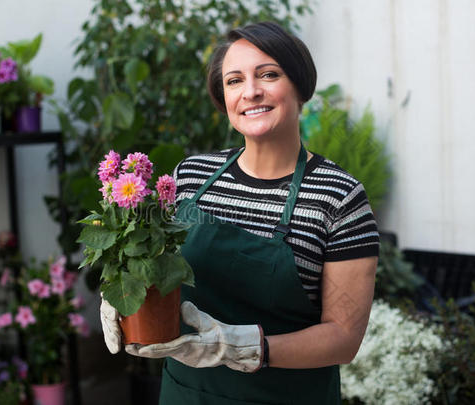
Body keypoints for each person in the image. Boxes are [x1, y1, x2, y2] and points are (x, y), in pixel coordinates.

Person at [100, 21, 379, 404]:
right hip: (187, 395)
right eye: (234, 81)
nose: (251, 92)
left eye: (268, 74)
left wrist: (243, 348)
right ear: (223, 97)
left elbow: (343, 338)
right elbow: (150, 264)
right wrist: (121, 296)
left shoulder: (338, 197)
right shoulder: (191, 176)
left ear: (299, 86)